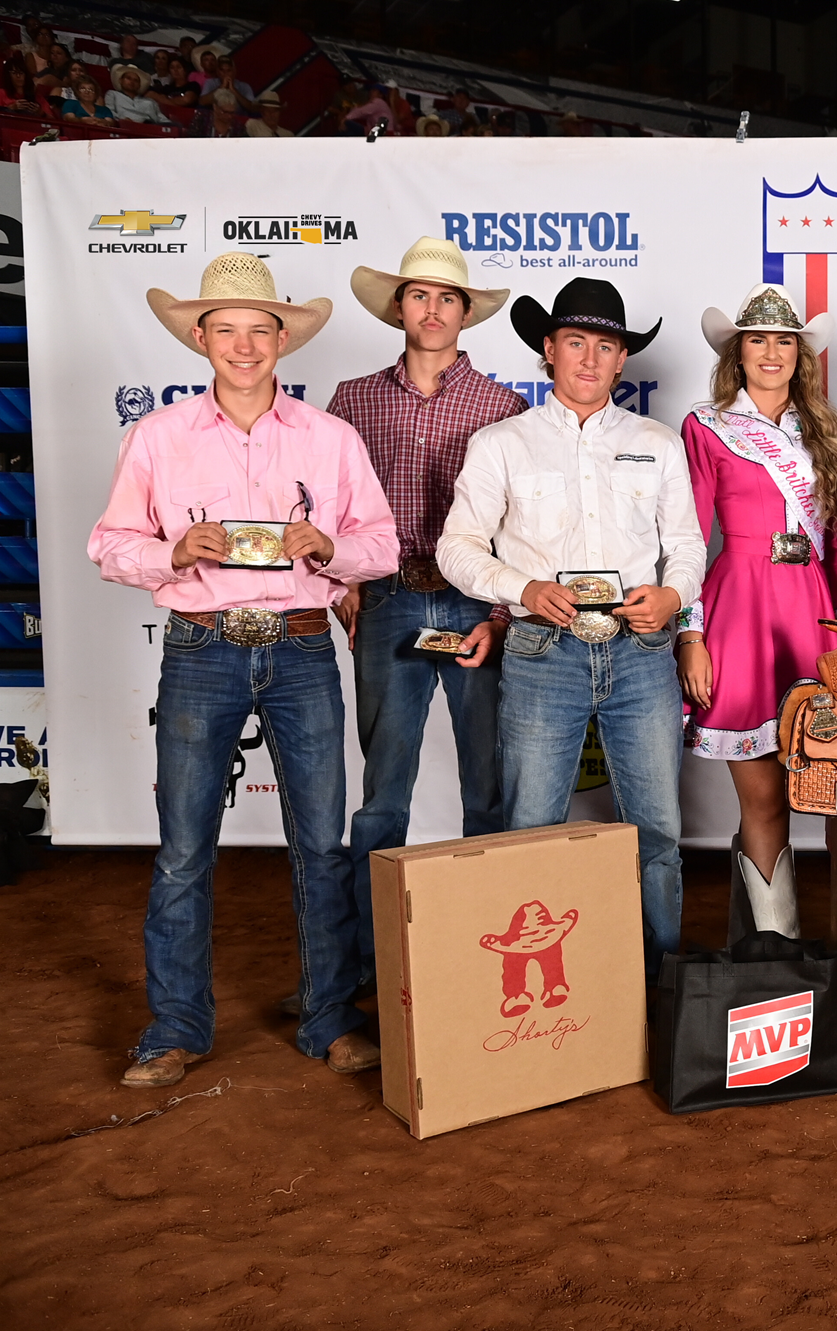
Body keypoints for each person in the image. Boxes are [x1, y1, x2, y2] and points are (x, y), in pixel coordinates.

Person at [89, 252, 399, 1089]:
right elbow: (108, 544)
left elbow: (383, 544)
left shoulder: (331, 438)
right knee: (185, 848)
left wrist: (331, 548)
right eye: (225, 328)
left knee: (321, 844)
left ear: (282, 340)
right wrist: (169, 550)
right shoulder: (156, 437)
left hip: (301, 643)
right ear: (200, 338)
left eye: (259, 329)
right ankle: (176, 1026)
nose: (243, 344)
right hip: (200, 644)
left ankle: (331, 1017)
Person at [437, 279, 706, 977]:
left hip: (641, 650)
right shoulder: (502, 443)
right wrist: (520, 587)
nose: (590, 358)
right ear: (548, 349)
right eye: (576, 342)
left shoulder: (658, 441)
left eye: (606, 345)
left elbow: (687, 544)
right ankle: (536, 1000)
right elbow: (457, 545)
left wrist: (674, 596)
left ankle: (662, 992)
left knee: (658, 834)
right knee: (529, 830)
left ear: (622, 361)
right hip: (540, 648)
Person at [317, 238, 524, 1010]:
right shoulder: (353, 400)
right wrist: (340, 580)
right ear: (398, 308)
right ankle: (376, 963)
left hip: (475, 603)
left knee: (489, 785)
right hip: (390, 598)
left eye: (446, 299)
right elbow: (327, 503)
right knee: (383, 791)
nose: (432, 311)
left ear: (466, 314)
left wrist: (504, 614)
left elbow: (523, 526)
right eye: (418, 297)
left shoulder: (504, 408)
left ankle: (489, 944)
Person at [678, 284, 837, 940]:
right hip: (742, 609)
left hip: (810, 612)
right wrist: (689, 632)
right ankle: (774, 953)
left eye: (785, 340)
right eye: (758, 338)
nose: (772, 351)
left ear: (800, 354)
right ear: (738, 351)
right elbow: (690, 535)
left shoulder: (827, 428)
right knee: (764, 797)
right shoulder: (706, 424)